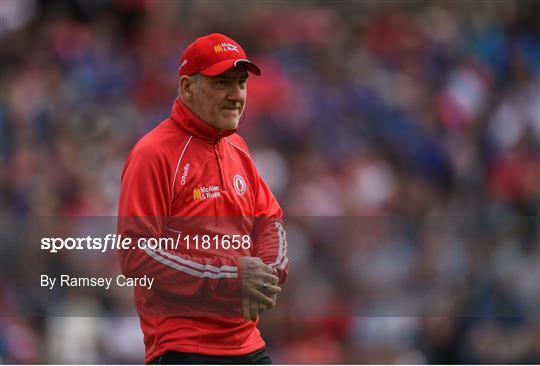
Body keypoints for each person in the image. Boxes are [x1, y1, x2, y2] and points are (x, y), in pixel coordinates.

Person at [117, 33, 288, 364]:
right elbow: (135, 254)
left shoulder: (237, 147)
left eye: (241, 83)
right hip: (185, 348)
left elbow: (268, 220)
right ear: (187, 88)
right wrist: (233, 275)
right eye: (223, 82)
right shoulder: (153, 153)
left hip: (248, 344)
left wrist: (268, 272)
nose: (236, 95)